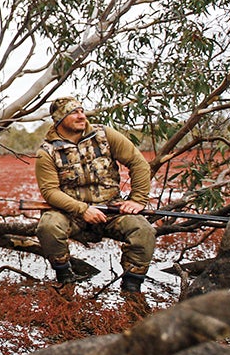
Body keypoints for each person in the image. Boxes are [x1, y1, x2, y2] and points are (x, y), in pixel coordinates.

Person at [34, 96, 154, 297]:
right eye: (74, 112)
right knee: (48, 227)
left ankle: (131, 287)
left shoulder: (104, 135)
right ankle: (65, 277)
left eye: (82, 110)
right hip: (70, 212)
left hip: (112, 207)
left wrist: (138, 199)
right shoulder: (46, 152)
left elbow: (138, 162)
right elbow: (50, 192)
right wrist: (82, 209)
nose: (81, 116)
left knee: (144, 231)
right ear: (59, 119)